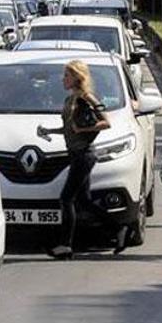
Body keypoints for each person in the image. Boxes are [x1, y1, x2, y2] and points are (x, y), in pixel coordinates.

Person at [38, 61, 127, 259]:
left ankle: (65, 245)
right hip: (74, 153)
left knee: (66, 198)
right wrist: (49, 131)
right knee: (84, 201)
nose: (63, 79)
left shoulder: (87, 98)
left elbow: (105, 122)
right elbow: (70, 129)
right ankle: (118, 228)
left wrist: (84, 130)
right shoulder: (70, 100)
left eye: (67, 76)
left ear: (77, 77)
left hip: (84, 155)